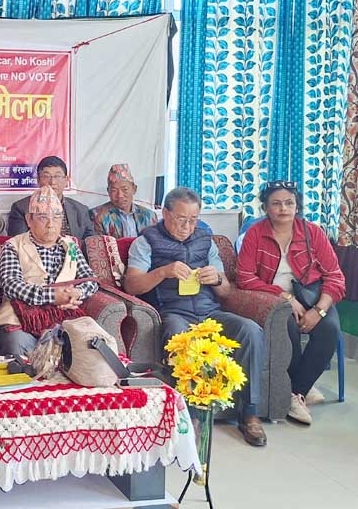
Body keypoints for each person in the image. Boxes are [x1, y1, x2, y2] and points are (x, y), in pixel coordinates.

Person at [123, 187, 267, 447]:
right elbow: (131, 285)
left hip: (209, 312)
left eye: (193, 220)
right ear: (165, 214)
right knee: (179, 336)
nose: (187, 227)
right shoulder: (146, 241)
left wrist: (217, 278)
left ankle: (250, 413)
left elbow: (226, 292)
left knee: (250, 330)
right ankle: (189, 416)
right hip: (174, 311)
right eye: (181, 219)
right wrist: (162, 272)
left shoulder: (206, 241)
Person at [236, 181, 346, 426]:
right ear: (265, 207)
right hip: (274, 298)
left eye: (289, 203)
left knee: (329, 329)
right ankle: (298, 392)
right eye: (276, 203)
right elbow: (244, 277)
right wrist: (285, 297)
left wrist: (319, 310)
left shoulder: (313, 233)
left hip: (313, 297)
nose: (283, 209)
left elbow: (335, 277)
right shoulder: (255, 234)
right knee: (287, 327)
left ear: (297, 206)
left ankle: (296, 390)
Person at [0, 186, 100, 356]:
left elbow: (90, 279)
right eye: (43, 218)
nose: (51, 225)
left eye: (56, 217)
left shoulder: (70, 246)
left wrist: (77, 293)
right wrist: (52, 296)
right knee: (17, 347)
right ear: (29, 220)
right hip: (20, 317)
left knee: (90, 348)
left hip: (64, 316)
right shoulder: (13, 245)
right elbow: (11, 284)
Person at [8, 156, 95, 240]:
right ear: (38, 180)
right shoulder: (21, 208)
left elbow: (90, 242)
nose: (52, 182)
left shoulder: (81, 210)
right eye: (46, 176)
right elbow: (19, 242)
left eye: (57, 176)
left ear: (66, 180)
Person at [89, 163, 159, 238]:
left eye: (125, 189)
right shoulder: (97, 215)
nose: (120, 195)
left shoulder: (149, 216)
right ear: (108, 191)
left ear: (134, 189)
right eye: (114, 190)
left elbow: (155, 242)